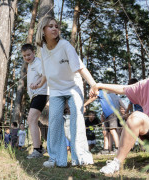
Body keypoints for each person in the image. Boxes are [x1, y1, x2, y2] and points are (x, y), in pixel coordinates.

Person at [32, 16, 96, 167]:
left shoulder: (66, 45)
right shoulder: (42, 49)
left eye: (56, 26)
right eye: (51, 26)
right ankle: (56, 159)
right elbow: (47, 72)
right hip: (55, 90)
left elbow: (80, 68)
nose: (55, 28)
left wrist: (93, 84)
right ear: (43, 30)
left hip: (73, 86)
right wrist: (39, 83)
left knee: (76, 118)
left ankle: (80, 157)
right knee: (54, 121)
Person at [21, 43, 49, 159]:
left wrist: (37, 84)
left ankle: (37, 150)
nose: (27, 57)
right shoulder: (31, 65)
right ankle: (39, 148)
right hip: (35, 96)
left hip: (41, 94)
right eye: (24, 56)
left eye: (29, 54)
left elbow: (46, 75)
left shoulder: (37, 63)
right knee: (32, 120)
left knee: (31, 119)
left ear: (33, 52)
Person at [84, 90, 126, 154]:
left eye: (91, 92)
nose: (90, 93)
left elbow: (92, 99)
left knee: (112, 130)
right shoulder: (104, 95)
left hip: (112, 113)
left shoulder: (101, 92)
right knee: (105, 132)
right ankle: (106, 149)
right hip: (106, 115)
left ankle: (118, 148)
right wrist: (102, 115)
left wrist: (84, 105)